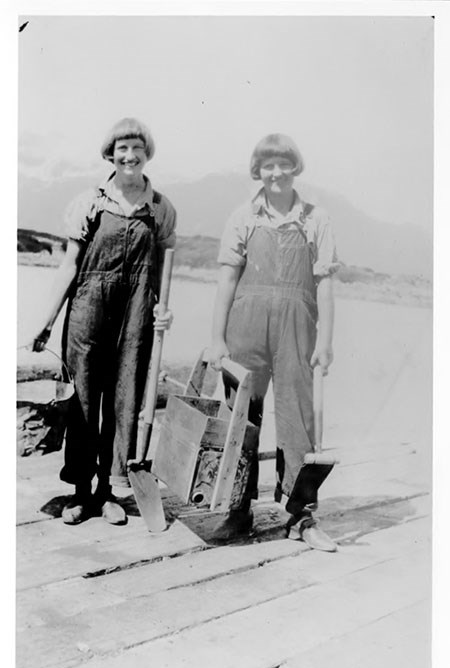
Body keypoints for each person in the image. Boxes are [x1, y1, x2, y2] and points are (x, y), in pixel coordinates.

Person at [31, 118, 176, 526]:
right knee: (82, 401)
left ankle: (109, 491)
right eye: (122, 149)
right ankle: (79, 492)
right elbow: (68, 267)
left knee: (124, 399)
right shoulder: (90, 203)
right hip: (88, 311)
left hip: (135, 316)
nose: (130, 156)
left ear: (147, 154)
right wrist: (45, 322)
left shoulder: (161, 208)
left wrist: (163, 308)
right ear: (110, 155)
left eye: (137, 149)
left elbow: (163, 270)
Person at [209, 133, 340, 551]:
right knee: (239, 417)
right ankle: (236, 509)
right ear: (257, 171)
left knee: (297, 416)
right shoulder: (243, 216)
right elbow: (227, 280)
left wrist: (326, 342)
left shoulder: (316, 219)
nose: (276, 172)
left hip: (297, 328)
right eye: (268, 165)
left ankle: (299, 515)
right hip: (246, 325)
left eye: (284, 164)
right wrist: (216, 338)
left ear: (295, 167)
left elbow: (325, 286)